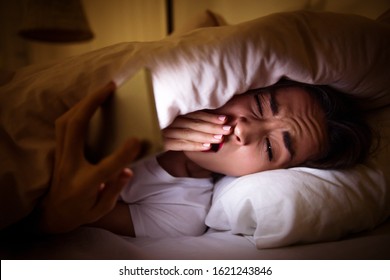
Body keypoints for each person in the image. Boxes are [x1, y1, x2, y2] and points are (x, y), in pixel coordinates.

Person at [34, 79, 373, 237]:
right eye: (258, 107)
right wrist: (149, 124)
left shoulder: (182, 214)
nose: (244, 130)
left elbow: (63, 219)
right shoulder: (171, 86)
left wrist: (58, 214)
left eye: (270, 149)